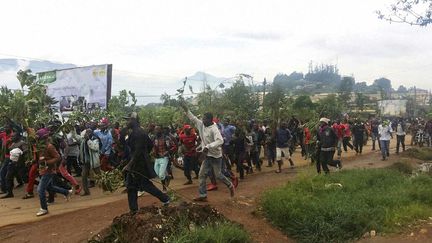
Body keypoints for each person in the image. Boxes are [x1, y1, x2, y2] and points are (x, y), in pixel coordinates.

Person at [180, 102, 235, 202]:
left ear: (210, 120)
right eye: (203, 118)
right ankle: (203, 195)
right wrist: (186, 110)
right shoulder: (201, 125)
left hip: (216, 156)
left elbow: (220, 141)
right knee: (201, 175)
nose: (202, 120)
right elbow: (193, 118)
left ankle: (230, 185)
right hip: (208, 156)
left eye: (204, 119)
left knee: (218, 175)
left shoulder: (214, 129)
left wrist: (208, 146)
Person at [122, 112, 170, 213]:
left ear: (134, 120)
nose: (127, 122)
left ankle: (165, 198)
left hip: (139, 165)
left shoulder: (138, 133)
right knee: (131, 186)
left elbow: (138, 150)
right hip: (136, 163)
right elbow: (149, 146)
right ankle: (133, 210)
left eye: (128, 120)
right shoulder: (136, 132)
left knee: (145, 185)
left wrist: (130, 164)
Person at [35, 128, 72, 216]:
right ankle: (66, 192)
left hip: (49, 170)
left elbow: (58, 157)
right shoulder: (40, 147)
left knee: (40, 190)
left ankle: (44, 208)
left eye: (38, 138)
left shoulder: (49, 146)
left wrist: (47, 162)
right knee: (50, 187)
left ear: (43, 138)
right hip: (43, 170)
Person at [152, 126, 176, 192]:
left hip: (164, 157)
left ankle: (164, 188)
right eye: (155, 130)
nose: (156, 131)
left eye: (157, 129)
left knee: (161, 174)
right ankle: (167, 177)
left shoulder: (166, 138)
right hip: (157, 157)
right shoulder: (154, 138)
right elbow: (153, 146)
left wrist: (167, 152)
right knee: (157, 173)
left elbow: (174, 146)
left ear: (161, 130)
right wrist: (153, 151)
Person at [79, 129, 101, 196]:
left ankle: (108, 186)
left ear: (91, 133)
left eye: (89, 132)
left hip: (93, 161)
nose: (87, 133)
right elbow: (76, 138)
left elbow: (95, 148)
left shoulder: (95, 139)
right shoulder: (83, 140)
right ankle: (86, 191)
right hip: (86, 161)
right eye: (86, 132)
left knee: (99, 175)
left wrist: (88, 140)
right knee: (83, 176)